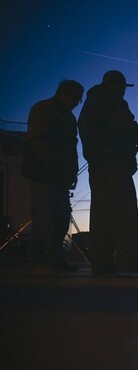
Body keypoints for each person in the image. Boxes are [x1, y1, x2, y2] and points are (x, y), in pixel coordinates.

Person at [78, 70, 138, 275]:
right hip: (114, 166)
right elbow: (125, 128)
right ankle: (128, 261)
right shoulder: (112, 101)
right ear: (117, 86)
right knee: (125, 215)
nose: (124, 92)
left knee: (101, 217)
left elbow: (108, 132)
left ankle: (102, 264)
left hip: (97, 165)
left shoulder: (90, 104)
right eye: (123, 87)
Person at [22, 79, 84, 273]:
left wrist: (72, 171)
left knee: (62, 217)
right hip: (42, 173)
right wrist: (53, 164)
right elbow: (36, 140)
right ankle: (37, 260)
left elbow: (72, 146)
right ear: (65, 93)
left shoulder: (69, 118)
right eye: (76, 99)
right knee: (43, 217)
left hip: (60, 176)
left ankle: (54, 259)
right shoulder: (42, 109)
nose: (77, 103)